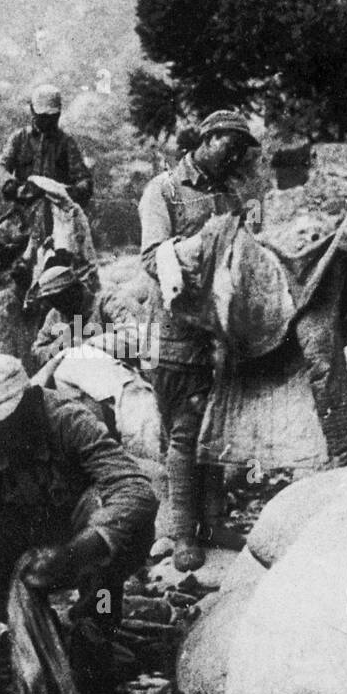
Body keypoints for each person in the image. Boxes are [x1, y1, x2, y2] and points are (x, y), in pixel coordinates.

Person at [0, 354, 158, 694]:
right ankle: (17, 629)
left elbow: (135, 489)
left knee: (109, 508)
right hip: (24, 543)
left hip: (78, 545)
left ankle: (95, 622)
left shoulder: (70, 419)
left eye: (8, 424)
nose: (1, 438)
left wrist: (73, 553)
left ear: (30, 401)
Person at [137, 109, 259, 572]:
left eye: (239, 151)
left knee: (215, 426)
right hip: (174, 331)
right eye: (228, 146)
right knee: (184, 433)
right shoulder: (163, 190)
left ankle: (211, 522)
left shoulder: (230, 195)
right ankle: (183, 532)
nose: (233, 157)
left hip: (218, 330)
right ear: (206, 139)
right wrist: (205, 247)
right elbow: (152, 259)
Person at [0, 85, 95, 300]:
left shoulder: (66, 143)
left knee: (50, 248)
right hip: (22, 208)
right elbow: (0, 167)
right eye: (42, 117)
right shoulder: (19, 138)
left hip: (52, 211)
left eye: (52, 117)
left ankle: (27, 272)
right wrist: (10, 185)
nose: (47, 122)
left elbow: (83, 179)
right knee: (2, 240)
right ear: (32, 112)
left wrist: (73, 191)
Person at [26, 263, 138, 371]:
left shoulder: (105, 302)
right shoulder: (55, 315)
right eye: (52, 301)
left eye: (60, 298)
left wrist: (88, 344)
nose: (58, 306)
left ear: (75, 289)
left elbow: (132, 336)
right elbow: (37, 353)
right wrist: (60, 344)